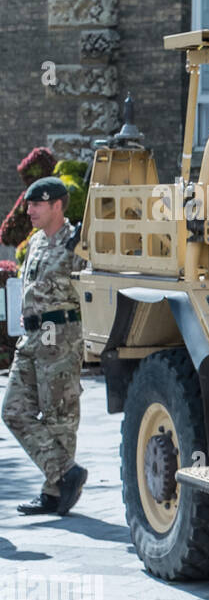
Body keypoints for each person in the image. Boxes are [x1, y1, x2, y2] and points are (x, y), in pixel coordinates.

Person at [2, 176, 88, 515]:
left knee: (59, 417)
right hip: (32, 337)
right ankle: (66, 473)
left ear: (56, 205)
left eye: (36, 204)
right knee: (13, 410)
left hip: (61, 336)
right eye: (28, 203)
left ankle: (54, 493)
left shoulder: (77, 242)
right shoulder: (36, 241)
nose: (29, 209)